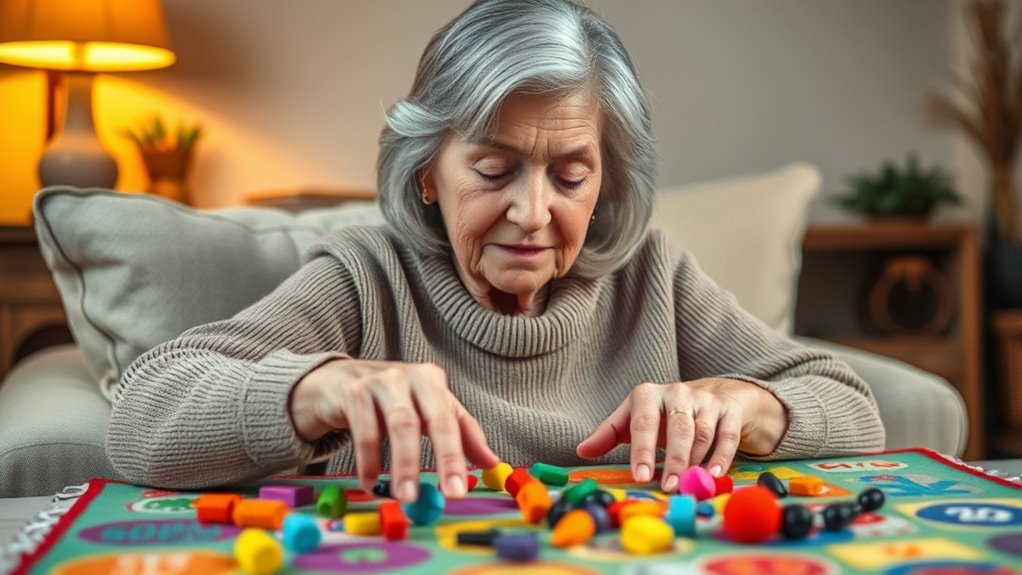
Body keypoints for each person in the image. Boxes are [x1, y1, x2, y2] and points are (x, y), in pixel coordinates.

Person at [107, 0, 885, 502]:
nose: (533, 211)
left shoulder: (651, 275)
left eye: (571, 174)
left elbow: (851, 406)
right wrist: (316, 387)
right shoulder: (365, 277)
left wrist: (749, 405)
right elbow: (142, 411)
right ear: (425, 173)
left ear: (605, 182)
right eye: (492, 169)